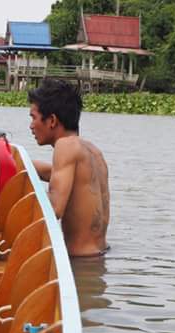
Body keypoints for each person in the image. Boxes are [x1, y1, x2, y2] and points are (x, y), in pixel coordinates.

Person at [28, 79, 110, 256]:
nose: (31, 126)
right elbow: (60, 177)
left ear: (52, 120)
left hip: (79, 263)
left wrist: (24, 192)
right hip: (98, 257)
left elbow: (55, 208)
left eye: (33, 117)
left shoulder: (64, 146)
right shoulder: (94, 152)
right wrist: (20, 161)